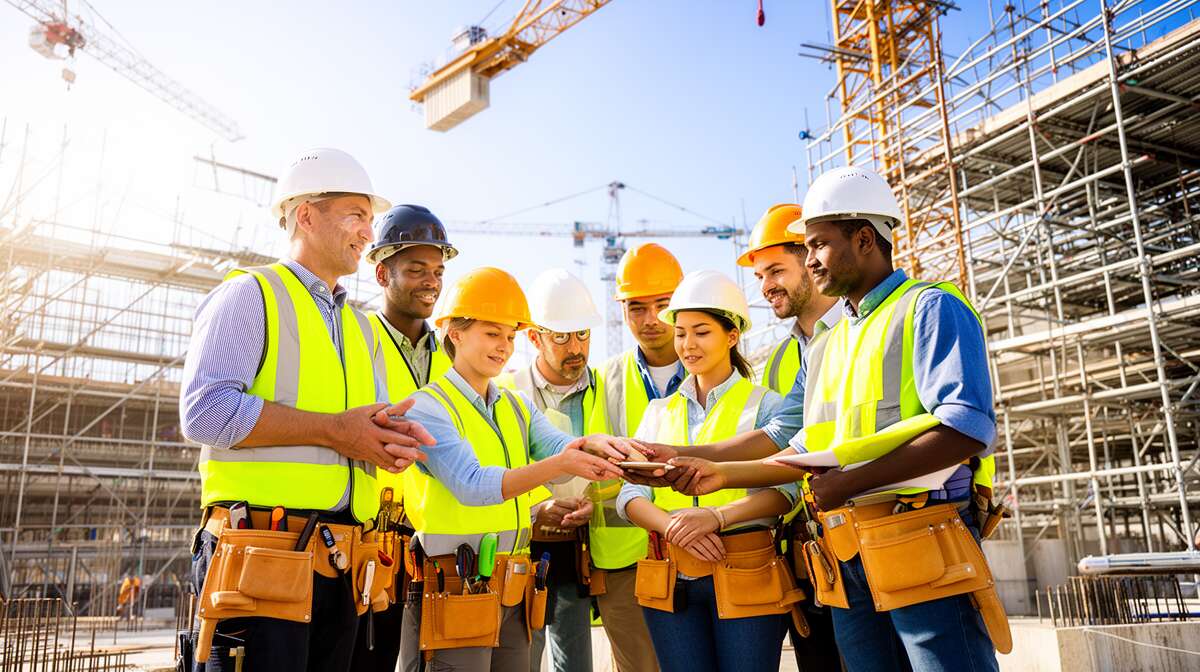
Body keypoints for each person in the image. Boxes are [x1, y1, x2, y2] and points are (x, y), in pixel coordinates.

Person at [669, 167, 1009, 672]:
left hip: (921, 534)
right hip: (845, 550)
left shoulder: (929, 307)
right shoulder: (830, 343)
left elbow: (965, 429)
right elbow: (808, 446)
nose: (810, 260)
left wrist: (849, 483)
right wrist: (721, 473)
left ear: (865, 239)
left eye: (819, 245)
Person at [181, 148, 434, 672]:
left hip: (343, 561)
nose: (368, 232)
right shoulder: (251, 295)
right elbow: (205, 411)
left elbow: (358, 431)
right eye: (356, 215)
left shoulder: (361, 328)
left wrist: (390, 441)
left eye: (369, 218)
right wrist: (336, 432)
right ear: (306, 216)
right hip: (261, 555)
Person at [397, 266, 640, 672]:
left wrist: (592, 445)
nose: (505, 347)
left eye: (510, 336)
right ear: (455, 334)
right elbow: (472, 485)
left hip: (514, 585)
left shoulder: (515, 406)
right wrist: (562, 461)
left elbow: (560, 450)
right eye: (493, 334)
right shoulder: (428, 407)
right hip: (454, 587)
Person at [617, 270, 797, 672]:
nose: (688, 345)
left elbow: (787, 491)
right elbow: (630, 494)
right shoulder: (657, 411)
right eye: (680, 333)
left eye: (701, 332)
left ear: (732, 336)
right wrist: (672, 527)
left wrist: (716, 517)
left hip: (745, 566)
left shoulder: (767, 405)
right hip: (670, 570)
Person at [351, 204, 458, 672]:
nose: (431, 281)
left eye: (437, 271)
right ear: (382, 273)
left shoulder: (453, 355)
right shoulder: (356, 337)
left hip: (439, 544)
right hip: (371, 541)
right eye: (416, 270)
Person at [736, 203, 843, 671]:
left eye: (776, 270)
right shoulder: (785, 356)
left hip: (881, 525)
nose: (766, 287)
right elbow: (782, 434)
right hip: (806, 541)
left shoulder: (855, 329)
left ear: (813, 259)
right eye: (760, 276)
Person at [586, 242, 686, 672]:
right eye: (636, 308)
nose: (650, 320)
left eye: (662, 305)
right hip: (624, 558)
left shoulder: (715, 363)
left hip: (699, 545)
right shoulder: (603, 378)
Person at [496, 268, 602, 672]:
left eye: (582, 334)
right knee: (520, 659)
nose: (575, 347)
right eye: (560, 337)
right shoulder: (504, 393)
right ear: (534, 338)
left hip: (580, 550)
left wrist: (596, 503)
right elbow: (492, 469)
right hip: (522, 548)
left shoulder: (606, 388)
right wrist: (536, 508)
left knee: (576, 663)